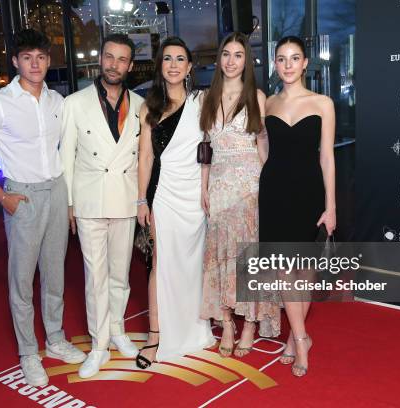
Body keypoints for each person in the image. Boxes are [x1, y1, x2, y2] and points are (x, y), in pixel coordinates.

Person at [0, 29, 86, 387]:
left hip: (57, 191)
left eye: (41, 57)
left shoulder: (56, 101)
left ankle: (56, 340)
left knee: (55, 274)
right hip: (22, 196)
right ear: (15, 61)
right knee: (22, 280)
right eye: (27, 57)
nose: (35, 64)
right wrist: (0, 195)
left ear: (49, 60)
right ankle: (29, 352)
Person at [60, 34, 143, 378]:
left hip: (125, 199)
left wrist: (142, 200)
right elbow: (65, 157)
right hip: (90, 199)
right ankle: (98, 345)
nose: (114, 65)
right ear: (100, 58)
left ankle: (119, 331)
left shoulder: (140, 104)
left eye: (122, 59)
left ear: (130, 66)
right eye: (109, 57)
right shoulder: (75, 103)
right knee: (95, 277)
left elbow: (143, 159)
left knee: (120, 276)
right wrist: (68, 203)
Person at [135, 36, 216, 369]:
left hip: (194, 197)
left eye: (180, 59)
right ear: (160, 65)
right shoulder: (149, 106)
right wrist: (142, 200)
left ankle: (195, 330)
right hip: (163, 196)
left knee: (193, 264)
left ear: (189, 67)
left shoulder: (202, 101)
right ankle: (156, 336)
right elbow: (145, 158)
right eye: (167, 59)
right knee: (160, 265)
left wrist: (206, 189)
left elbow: (209, 148)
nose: (173, 65)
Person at [199, 32, 280, 358]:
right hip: (218, 187)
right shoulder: (208, 96)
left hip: (250, 187)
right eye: (226, 54)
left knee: (248, 258)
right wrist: (203, 186)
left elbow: (262, 143)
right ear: (219, 59)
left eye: (238, 55)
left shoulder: (257, 96)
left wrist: (271, 184)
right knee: (221, 258)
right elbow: (204, 147)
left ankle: (249, 324)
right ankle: (228, 323)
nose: (231, 61)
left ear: (247, 61)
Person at [259, 36, 336, 377]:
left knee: (304, 271)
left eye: (294, 58)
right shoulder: (268, 104)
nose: (287, 65)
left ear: (305, 63)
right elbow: (262, 142)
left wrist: (331, 206)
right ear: (275, 64)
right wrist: (266, 173)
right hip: (275, 193)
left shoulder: (323, 103)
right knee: (284, 270)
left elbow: (327, 158)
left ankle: (294, 339)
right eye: (281, 59)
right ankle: (302, 338)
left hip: (308, 194)